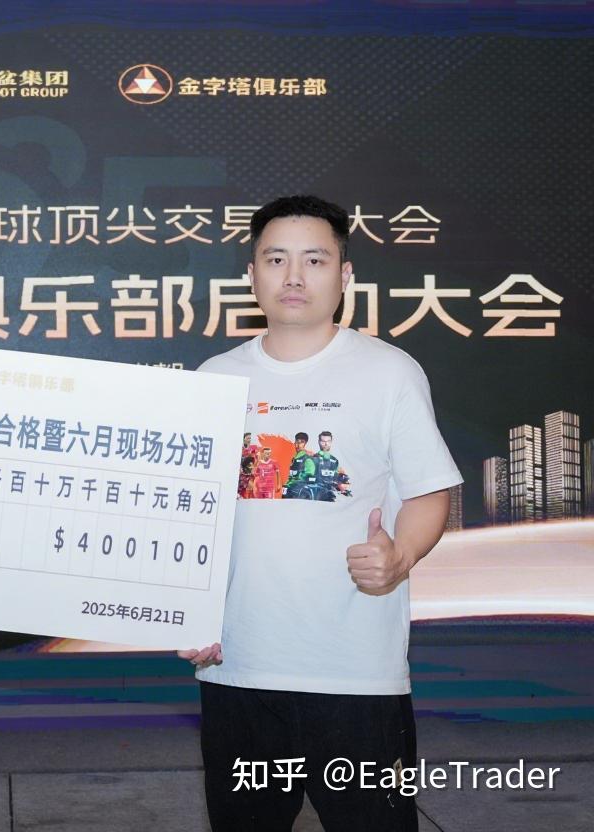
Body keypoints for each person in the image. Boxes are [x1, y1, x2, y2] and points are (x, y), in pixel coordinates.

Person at [180, 195, 460, 831]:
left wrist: (400, 556)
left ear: (345, 274)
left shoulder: (388, 372)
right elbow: (195, 517)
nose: (294, 276)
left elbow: (429, 492)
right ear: (251, 274)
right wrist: (189, 610)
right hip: (238, 671)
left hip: (356, 676)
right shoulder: (214, 379)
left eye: (314, 259)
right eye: (275, 259)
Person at [283, 431, 319, 500]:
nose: (298, 445)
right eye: (297, 442)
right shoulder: (294, 457)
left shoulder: (307, 458)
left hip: (300, 493)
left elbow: (310, 476)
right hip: (290, 490)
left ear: (306, 444)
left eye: (302, 442)